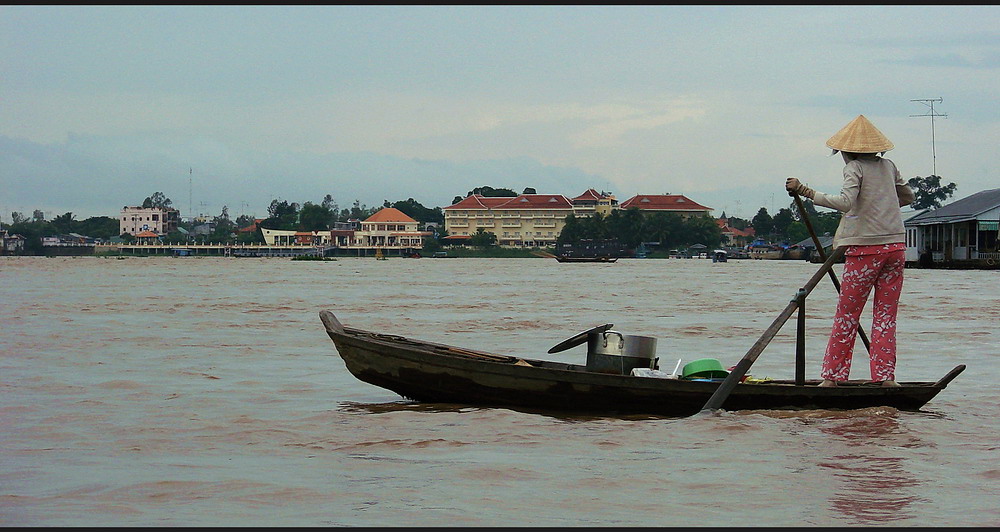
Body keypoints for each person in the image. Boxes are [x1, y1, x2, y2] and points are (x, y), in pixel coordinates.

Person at [785, 115, 916, 387]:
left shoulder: (855, 167)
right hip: (895, 248)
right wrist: (881, 206)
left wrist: (805, 191)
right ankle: (886, 379)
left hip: (865, 251)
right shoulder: (888, 166)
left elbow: (845, 203)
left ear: (847, 152)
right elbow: (907, 197)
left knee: (847, 315)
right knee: (885, 316)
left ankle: (832, 378)